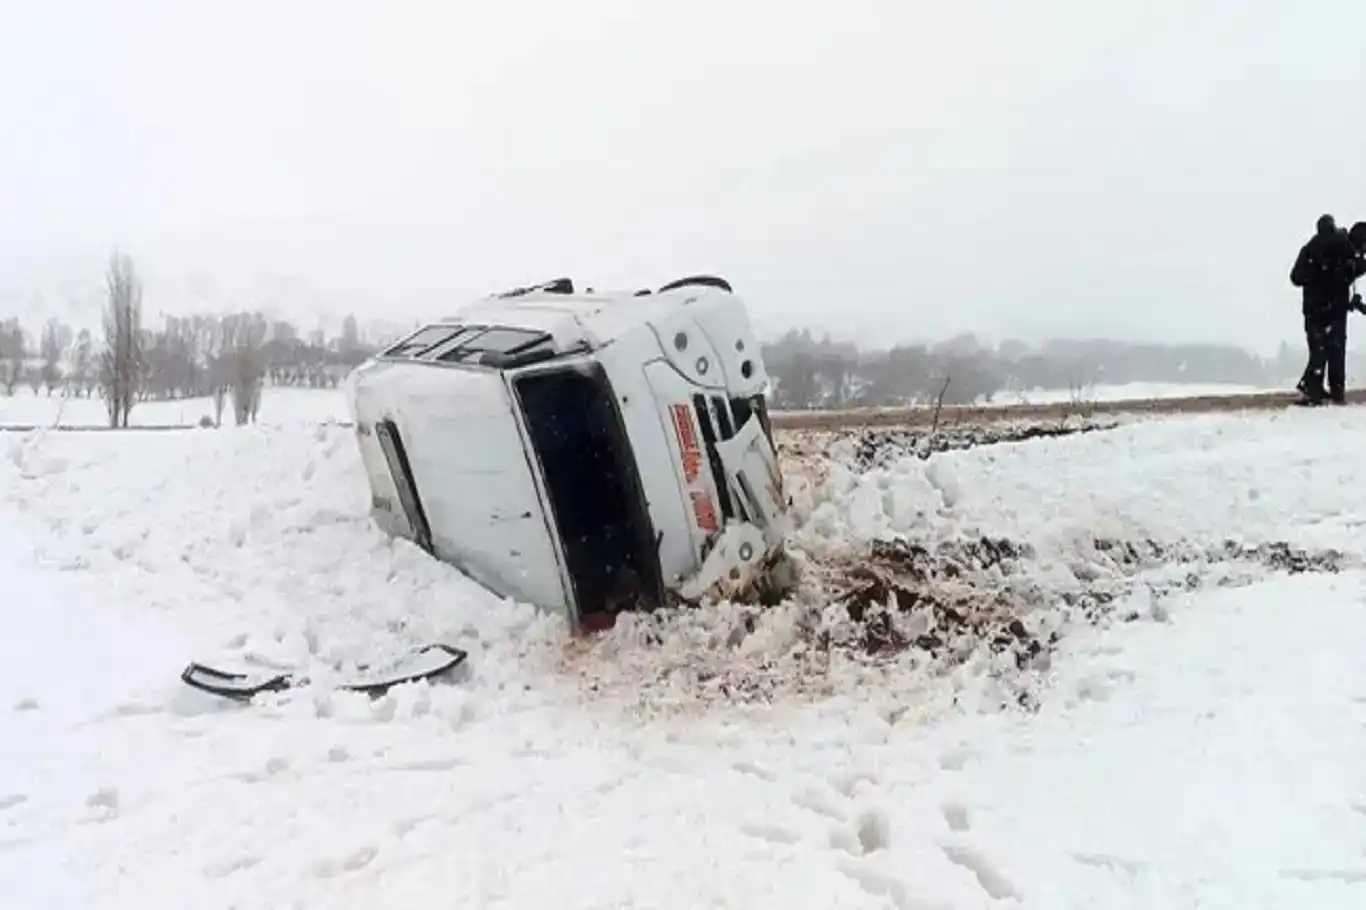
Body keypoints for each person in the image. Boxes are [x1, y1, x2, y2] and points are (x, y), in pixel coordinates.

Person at [1290, 214, 1365, 404]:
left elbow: (1296, 278)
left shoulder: (1310, 249)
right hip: (1333, 309)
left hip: (1315, 308)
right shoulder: (1343, 247)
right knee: (1335, 349)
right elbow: (1347, 274)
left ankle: (1314, 389)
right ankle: (1334, 391)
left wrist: (1317, 274)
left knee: (1319, 349)